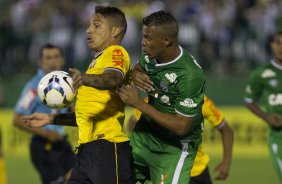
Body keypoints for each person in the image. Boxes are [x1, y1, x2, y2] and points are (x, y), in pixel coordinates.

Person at [22, 6, 134, 184]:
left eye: (97, 26)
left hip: (107, 149)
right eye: (90, 25)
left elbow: (114, 78)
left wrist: (85, 78)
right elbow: (85, 116)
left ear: (115, 31)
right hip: (86, 151)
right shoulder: (96, 63)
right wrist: (50, 119)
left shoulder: (116, 53)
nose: (89, 30)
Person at [117, 10, 206, 183]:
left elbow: (181, 127)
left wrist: (138, 104)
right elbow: (139, 69)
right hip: (144, 137)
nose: (143, 43)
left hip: (174, 148)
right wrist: (135, 74)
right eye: (143, 36)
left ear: (167, 41)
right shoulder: (152, 55)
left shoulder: (189, 75)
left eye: (148, 38)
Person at [126, 96, 234, 184]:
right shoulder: (154, 99)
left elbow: (227, 130)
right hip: (166, 168)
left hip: (196, 170)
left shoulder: (201, 101)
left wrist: (226, 163)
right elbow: (132, 123)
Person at [13, 43, 75, 184]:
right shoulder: (34, 87)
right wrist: (47, 133)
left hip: (62, 142)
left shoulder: (66, 83)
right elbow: (17, 119)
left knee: (77, 178)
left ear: (62, 60)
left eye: (56, 56)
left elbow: (72, 111)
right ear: (40, 62)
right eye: (48, 58)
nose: (53, 61)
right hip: (43, 145)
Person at [244, 31, 282, 182]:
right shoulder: (261, 74)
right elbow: (249, 101)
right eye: (277, 42)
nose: (281, 47)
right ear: (271, 46)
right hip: (279, 136)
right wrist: (267, 117)